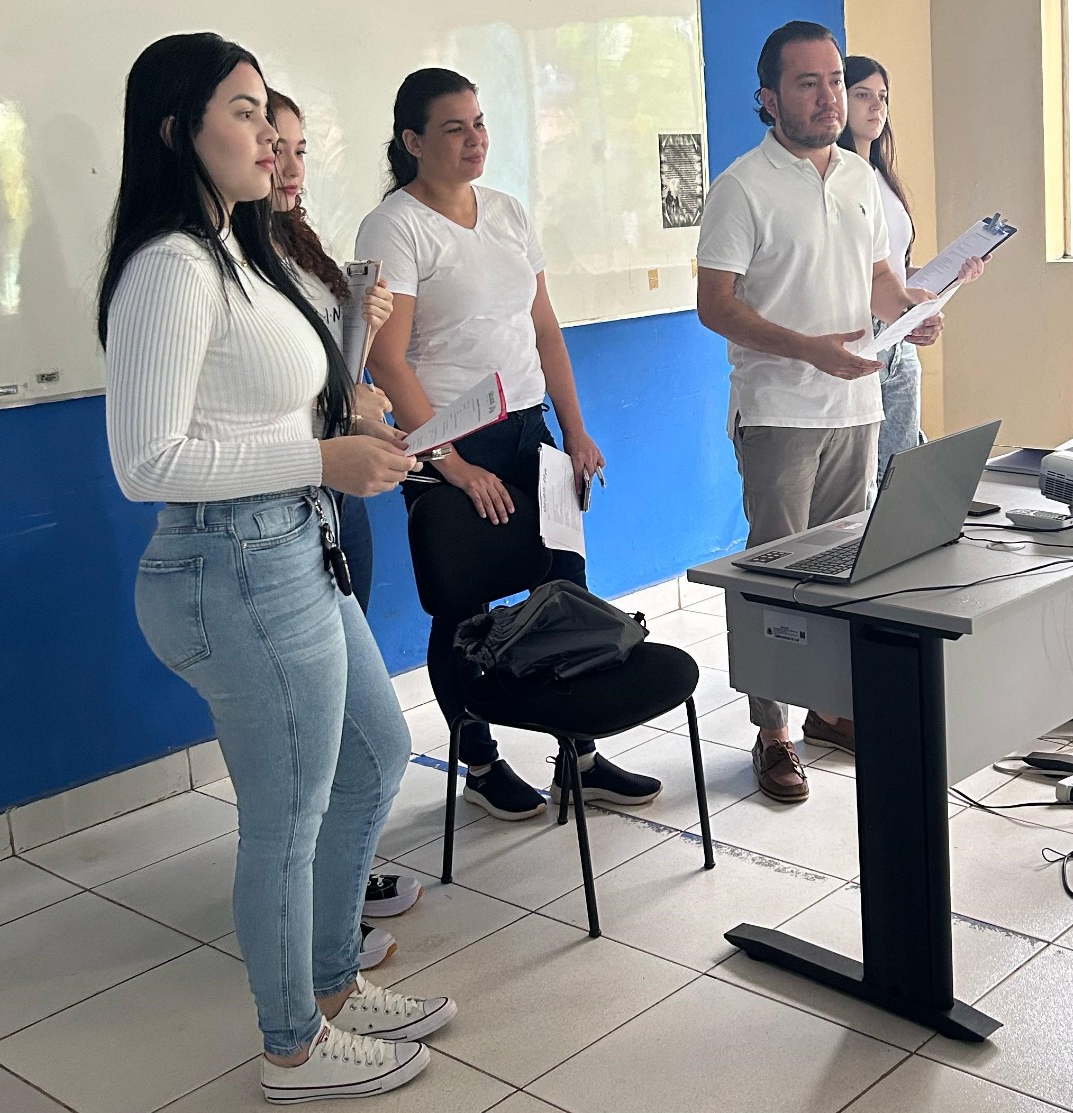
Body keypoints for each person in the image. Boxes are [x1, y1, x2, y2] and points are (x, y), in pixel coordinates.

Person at [100, 34, 453, 1103]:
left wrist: (348, 412)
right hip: (233, 566)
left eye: (270, 116)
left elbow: (259, 402)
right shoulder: (169, 266)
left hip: (294, 545)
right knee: (286, 816)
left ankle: (334, 981)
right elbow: (144, 462)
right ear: (178, 130)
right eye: (247, 113)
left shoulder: (240, 253)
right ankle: (292, 1046)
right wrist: (321, 453)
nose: (270, 137)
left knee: (376, 753)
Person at [358, 68, 660, 821]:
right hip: (448, 438)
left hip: (529, 428)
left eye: (480, 122)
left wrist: (578, 430)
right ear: (413, 141)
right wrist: (449, 464)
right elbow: (387, 360)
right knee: (464, 609)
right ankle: (482, 759)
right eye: (454, 127)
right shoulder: (395, 226)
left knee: (566, 589)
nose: (474, 139)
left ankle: (579, 754)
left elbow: (545, 330)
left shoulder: (507, 213)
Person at [696, 22, 981, 803]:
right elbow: (714, 306)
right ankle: (771, 730)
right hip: (781, 409)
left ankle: (826, 706)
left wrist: (915, 309)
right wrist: (805, 349)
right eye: (807, 83)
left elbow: (880, 282)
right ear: (768, 98)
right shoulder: (740, 188)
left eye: (832, 80)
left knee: (842, 570)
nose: (828, 98)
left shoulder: (858, 178)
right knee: (774, 574)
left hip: (858, 401)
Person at [267, 88, 425, 947]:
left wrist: (358, 332)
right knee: (321, 720)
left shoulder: (296, 243)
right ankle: (323, 920)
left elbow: (329, 383)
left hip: (336, 497)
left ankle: (345, 877)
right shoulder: (218, 264)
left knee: (356, 723)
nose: (287, 165)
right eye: (272, 144)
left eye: (296, 148)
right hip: (288, 501)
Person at [837, 55, 935, 486]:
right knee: (861, 482)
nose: (877, 107)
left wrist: (945, 282)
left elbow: (893, 270)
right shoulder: (831, 178)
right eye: (863, 95)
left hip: (899, 338)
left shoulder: (881, 176)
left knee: (903, 470)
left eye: (883, 98)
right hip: (858, 332)